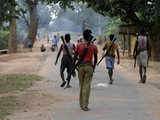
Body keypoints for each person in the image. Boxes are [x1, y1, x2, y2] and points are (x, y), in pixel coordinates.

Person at [75, 29, 98, 111]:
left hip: (80, 67)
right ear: (90, 37)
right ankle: (85, 105)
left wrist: (74, 67)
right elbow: (95, 58)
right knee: (87, 86)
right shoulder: (93, 46)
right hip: (89, 67)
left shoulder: (79, 45)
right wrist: (94, 67)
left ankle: (81, 104)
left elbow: (75, 57)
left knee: (81, 86)